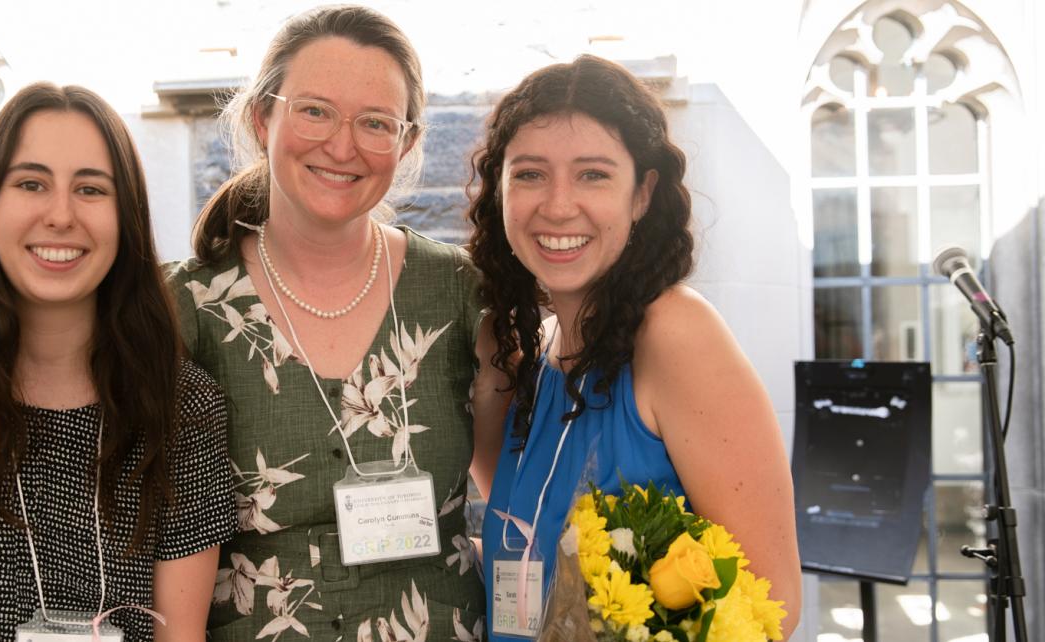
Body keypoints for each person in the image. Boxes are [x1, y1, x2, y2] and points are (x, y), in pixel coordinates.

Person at [0, 83, 236, 642]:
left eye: (91, 190)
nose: (60, 215)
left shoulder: (182, 403)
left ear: (126, 216)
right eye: (31, 183)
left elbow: (180, 635)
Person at [165, 5, 506, 640]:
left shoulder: (459, 291)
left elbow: (513, 494)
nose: (341, 146)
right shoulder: (186, 308)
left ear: (406, 143)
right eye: (315, 110)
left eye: (376, 122)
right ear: (264, 117)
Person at [467, 55, 801, 640]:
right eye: (529, 174)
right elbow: (525, 550)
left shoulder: (675, 333)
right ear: (500, 191)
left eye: (593, 174)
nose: (558, 205)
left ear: (642, 194)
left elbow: (771, 604)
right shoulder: (532, 356)